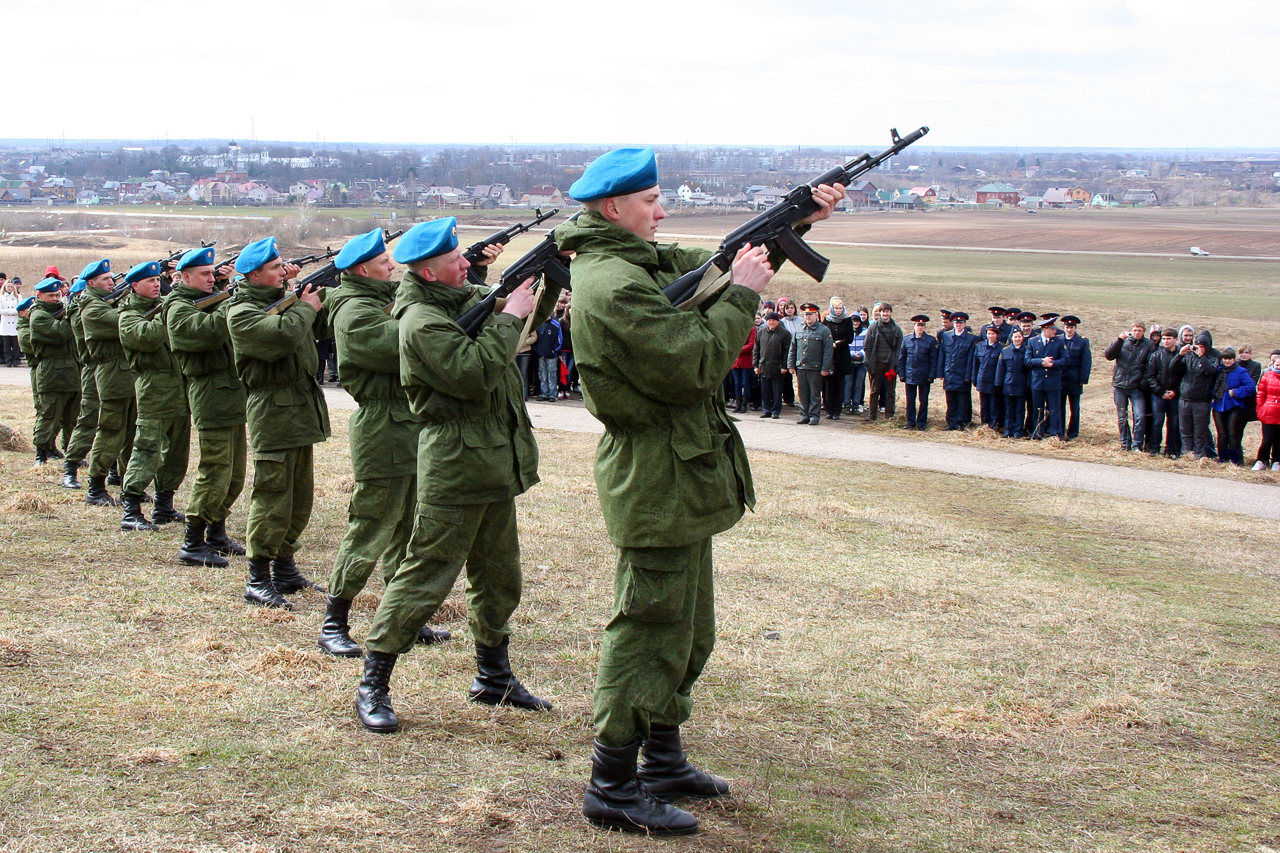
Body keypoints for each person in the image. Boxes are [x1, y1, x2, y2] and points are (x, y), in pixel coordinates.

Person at [557, 146, 843, 834]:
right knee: (648, 629)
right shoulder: (612, 283)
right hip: (656, 473)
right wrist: (743, 293)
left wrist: (795, 220)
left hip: (678, 471)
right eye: (651, 201)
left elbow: (708, 264)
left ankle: (662, 759)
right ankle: (611, 784)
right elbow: (691, 364)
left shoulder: (633, 261)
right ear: (613, 208)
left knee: (687, 630)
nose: (661, 211)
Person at [355, 217, 555, 736]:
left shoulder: (459, 301)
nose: (466, 263)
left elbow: (520, 326)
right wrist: (508, 316)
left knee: (499, 576)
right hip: (456, 463)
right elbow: (474, 372)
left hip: (492, 460)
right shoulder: (421, 321)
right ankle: (373, 682)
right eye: (454, 259)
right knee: (426, 574)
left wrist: (545, 282)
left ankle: (493, 677)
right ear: (428, 271)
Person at [319, 228, 464, 657]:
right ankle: (334, 621)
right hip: (382, 429)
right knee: (371, 527)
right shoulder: (354, 312)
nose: (393, 268)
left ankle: (402, 616)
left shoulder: (379, 299)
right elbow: (406, 344)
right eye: (385, 263)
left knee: (408, 530)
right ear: (363, 271)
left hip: (409, 425)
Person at [225, 237, 329, 609]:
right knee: (272, 495)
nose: (282, 271)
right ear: (253, 275)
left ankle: (285, 567)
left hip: (298, 408)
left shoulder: (281, 301)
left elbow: (308, 321)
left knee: (299, 497)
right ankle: (257, 578)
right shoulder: (241, 312)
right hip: (272, 409)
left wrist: (300, 294)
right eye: (274, 268)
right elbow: (282, 336)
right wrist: (303, 307)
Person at [165, 246, 245, 568]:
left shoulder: (209, 299)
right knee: (215, 470)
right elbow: (209, 332)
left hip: (231, 394)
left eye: (213, 273)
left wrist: (226, 293)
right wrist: (232, 299)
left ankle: (216, 533)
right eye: (205, 274)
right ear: (185, 277)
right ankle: (193, 542)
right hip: (210, 393)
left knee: (234, 474)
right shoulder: (178, 308)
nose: (212, 279)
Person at [116, 261, 190, 532]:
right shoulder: (128, 316)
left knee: (176, 454)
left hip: (179, 389)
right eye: (150, 281)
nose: (157, 284)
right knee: (147, 450)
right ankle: (131, 509)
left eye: (158, 280)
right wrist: (168, 311)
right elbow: (149, 337)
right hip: (154, 390)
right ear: (135, 286)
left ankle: (164, 506)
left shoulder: (162, 306)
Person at [79, 259, 139, 506]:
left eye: (111, 278)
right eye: (105, 279)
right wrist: (133, 298)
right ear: (92, 283)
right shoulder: (92, 308)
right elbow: (123, 320)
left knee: (130, 434)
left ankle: (128, 484)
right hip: (113, 375)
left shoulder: (105, 301)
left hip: (127, 374)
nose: (111, 282)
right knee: (111, 431)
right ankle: (95, 487)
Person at [27, 278, 79, 465]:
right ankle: (41, 452)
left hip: (71, 372)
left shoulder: (59, 312)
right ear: (39, 296)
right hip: (52, 373)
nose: (56, 299)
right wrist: (73, 315)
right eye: (51, 296)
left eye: (58, 295)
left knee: (72, 418)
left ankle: (72, 454)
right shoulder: (38, 316)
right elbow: (61, 332)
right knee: (49, 416)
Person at [1104, 322, 1156, 451]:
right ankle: (1125, 443)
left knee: (1140, 416)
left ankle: (1137, 444)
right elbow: (1109, 355)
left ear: (1143, 332)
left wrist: (1142, 383)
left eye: (1139, 330)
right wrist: (1119, 340)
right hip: (1120, 385)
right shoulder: (1124, 342)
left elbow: (1150, 366)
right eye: (1135, 330)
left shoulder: (1148, 345)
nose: (1136, 333)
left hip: (1136, 387)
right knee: (1122, 417)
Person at [1173, 331, 1219, 459]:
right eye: (1197, 346)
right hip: (1185, 398)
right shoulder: (1188, 357)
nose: (1198, 348)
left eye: (1202, 346)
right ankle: (1187, 454)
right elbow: (1173, 369)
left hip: (1201, 400)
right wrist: (1180, 355)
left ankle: (1199, 456)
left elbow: (1211, 371)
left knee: (1200, 431)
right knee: (1185, 430)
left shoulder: (1213, 358)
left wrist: (1201, 357)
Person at [788, 303, 833, 426]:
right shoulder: (800, 329)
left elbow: (828, 351)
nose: (807, 317)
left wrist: (825, 368)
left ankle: (814, 416)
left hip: (815, 368)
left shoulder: (824, 330)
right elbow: (793, 348)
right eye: (806, 315)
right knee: (803, 393)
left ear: (816, 315)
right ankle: (804, 415)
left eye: (810, 314)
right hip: (801, 366)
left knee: (814, 393)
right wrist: (791, 364)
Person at [1026, 317, 1069, 439]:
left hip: (1053, 381)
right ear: (1044, 329)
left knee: (1054, 409)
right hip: (1038, 381)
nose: (1055, 331)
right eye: (1052, 329)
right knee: (1038, 409)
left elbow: (1066, 360)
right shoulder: (1033, 341)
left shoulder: (1058, 342)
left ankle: (1055, 433)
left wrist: (1053, 364)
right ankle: (1037, 432)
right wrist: (1041, 361)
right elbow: (1027, 360)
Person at [1211, 347, 1254, 466]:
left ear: (1234, 359)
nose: (1226, 361)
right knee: (1222, 434)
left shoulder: (1241, 371)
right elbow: (1211, 385)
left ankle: (1235, 460)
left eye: (1229, 359)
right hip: (1219, 405)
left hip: (1235, 405)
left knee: (1233, 433)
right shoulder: (1219, 371)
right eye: (1224, 359)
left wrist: (1236, 392)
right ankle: (1222, 458)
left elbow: (1250, 387)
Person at [1145, 328, 1183, 458]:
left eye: (1169, 339)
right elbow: (1150, 376)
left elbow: (1184, 377)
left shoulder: (1182, 356)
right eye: (1164, 339)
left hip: (1174, 396)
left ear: (1175, 339)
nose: (1166, 341)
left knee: (1174, 423)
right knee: (1157, 422)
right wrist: (1161, 392)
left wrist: (1175, 392)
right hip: (1158, 396)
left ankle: (1172, 450)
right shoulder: (1156, 355)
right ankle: (1154, 448)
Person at [938, 310, 977, 430]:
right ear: (953, 323)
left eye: (961, 323)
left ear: (965, 324)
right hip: (949, 373)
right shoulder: (946, 336)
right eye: (956, 323)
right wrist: (940, 372)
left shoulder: (971, 338)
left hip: (962, 374)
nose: (958, 325)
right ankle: (951, 422)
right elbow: (942, 355)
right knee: (950, 399)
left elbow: (971, 359)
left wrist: (968, 375)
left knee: (962, 400)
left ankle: (961, 422)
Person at [898, 314, 938, 430]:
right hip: (910, 375)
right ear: (914, 326)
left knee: (923, 401)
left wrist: (931, 375)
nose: (920, 328)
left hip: (924, 376)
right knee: (910, 400)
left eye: (922, 325)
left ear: (925, 327)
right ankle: (910, 422)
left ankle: (921, 423)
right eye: (918, 325)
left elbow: (933, 360)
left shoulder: (930, 341)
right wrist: (902, 374)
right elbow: (902, 358)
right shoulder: (907, 340)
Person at [863, 303, 902, 420]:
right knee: (874, 390)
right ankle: (872, 415)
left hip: (890, 364)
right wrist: (868, 362)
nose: (885, 314)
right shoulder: (873, 328)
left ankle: (889, 415)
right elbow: (867, 346)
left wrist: (896, 363)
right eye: (883, 311)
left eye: (887, 311)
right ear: (880, 313)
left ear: (890, 313)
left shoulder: (896, 329)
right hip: (876, 363)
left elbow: (899, 348)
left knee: (890, 391)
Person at [1058, 315, 1092, 441]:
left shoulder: (1082, 342)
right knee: (1059, 407)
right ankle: (1060, 431)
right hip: (1060, 378)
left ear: (1075, 328)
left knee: (1074, 408)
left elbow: (1086, 362)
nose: (1069, 330)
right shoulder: (1059, 340)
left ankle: (1073, 433)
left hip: (1074, 379)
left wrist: (1083, 379)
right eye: (1067, 327)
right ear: (1064, 328)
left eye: (1071, 327)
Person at [752, 310, 790, 419]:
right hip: (764, 366)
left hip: (777, 367)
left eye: (773, 320)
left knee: (777, 391)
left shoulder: (785, 333)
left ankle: (776, 411)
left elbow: (787, 351)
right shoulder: (761, 332)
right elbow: (756, 349)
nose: (771, 322)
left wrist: (784, 366)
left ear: (778, 321)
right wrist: (756, 365)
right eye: (769, 320)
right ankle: (766, 410)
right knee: (765, 391)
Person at [821, 298, 853, 419]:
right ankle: (828, 410)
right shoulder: (827, 319)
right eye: (836, 308)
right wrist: (831, 343)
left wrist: (839, 343)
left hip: (842, 355)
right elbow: (824, 335)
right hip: (829, 355)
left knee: (839, 385)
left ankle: (837, 411)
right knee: (828, 385)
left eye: (840, 308)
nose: (838, 311)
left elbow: (850, 337)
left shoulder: (847, 320)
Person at [996, 328, 1030, 438]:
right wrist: (998, 383)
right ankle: (1008, 430)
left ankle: (1018, 431)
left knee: (1020, 409)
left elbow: (1029, 370)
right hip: (1008, 384)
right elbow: (1000, 369)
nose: (1017, 339)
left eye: (1019, 336)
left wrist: (1028, 384)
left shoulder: (1027, 350)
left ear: (1023, 338)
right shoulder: (1005, 350)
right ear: (1011, 338)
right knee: (1009, 409)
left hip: (1021, 384)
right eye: (1015, 337)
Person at [1252, 350, 1280, 471]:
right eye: (1277, 364)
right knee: (1267, 440)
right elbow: (1260, 395)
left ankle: (1276, 462)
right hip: (1269, 413)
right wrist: (1261, 410)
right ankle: (1261, 460)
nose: (1279, 367)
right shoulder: (1267, 376)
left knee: (1279, 440)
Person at [972, 324, 1004, 431]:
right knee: (984, 404)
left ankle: (994, 425)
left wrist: (999, 381)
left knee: (994, 404)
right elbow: (975, 364)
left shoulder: (1001, 348)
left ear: (997, 335)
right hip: (982, 379)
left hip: (994, 380)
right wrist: (974, 378)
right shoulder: (980, 346)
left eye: (993, 334)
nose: (990, 336)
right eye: (989, 333)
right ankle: (984, 424)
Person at [533, 312, 563, 403]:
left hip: (551, 355)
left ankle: (552, 394)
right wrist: (537, 349)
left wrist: (554, 350)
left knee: (551, 375)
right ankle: (544, 393)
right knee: (542, 375)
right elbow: (535, 338)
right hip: (540, 354)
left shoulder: (556, 325)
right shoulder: (539, 324)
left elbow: (559, 340)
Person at [777, 299, 801, 407]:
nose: (790, 310)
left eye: (791, 308)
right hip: (788, 350)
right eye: (787, 308)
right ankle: (789, 398)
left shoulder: (800, 320)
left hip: (800, 350)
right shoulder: (782, 322)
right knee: (787, 377)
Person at [729, 321, 756, 413]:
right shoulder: (734, 330)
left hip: (746, 360)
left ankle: (744, 404)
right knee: (737, 383)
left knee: (745, 383)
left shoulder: (751, 329)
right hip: (735, 361)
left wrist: (738, 350)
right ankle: (738, 404)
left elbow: (751, 344)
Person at [847, 312, 867, 413]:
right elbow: (845, 345)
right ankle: (846, 404)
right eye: (853, 321)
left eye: (857, 321)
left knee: (858, 385)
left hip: (861, 363)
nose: (855, 323)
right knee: (848, 384)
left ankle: (856, 404)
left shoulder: (865, 332)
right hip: (849, 362)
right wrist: (852, 354)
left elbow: (867, 346)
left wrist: (861, 354)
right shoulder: (847, 331)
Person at [0, 278, 19, 367]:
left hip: (14, 321)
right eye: (8, 287)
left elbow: (19, 310)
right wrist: (12, 311)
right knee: (6, 344)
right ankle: (8, 360)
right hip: (5, 323)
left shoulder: (18, 296)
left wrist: (9, 311)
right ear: (5, 287)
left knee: (15, 343)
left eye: (11, 287)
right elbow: (1, 311)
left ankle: (16, 359)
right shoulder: (1, 297)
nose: (10, 288)